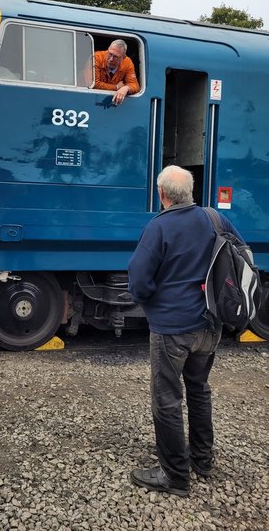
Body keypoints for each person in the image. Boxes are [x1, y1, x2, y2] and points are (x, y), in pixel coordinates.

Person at [127, 165, 242, 497]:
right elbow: (240, 258)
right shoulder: (215, 220)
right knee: (199, 390)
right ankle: (202, 461)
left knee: (166, 399)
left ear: (161, 194)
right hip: (210, 326)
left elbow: (139, 281)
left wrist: (150, 302)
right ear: (190, 192)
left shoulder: (159, 227)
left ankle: (175, 476)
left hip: (172, 329)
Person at [94, 39, 140, 105]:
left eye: (115, 56)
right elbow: (93, 84)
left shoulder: (127, 62)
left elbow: (135, 85)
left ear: (123, 58)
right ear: (108, 49)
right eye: (110, 54)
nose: (111, 59)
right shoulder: (97, 57)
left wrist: (126, 88)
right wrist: (116, 87)